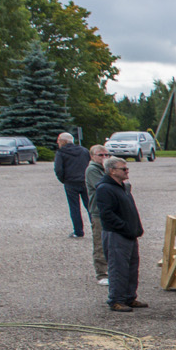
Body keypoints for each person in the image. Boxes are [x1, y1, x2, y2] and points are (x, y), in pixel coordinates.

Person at [92, 157, 147, 312]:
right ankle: (116, 300)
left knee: (132, 268)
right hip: (116, 234)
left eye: (126, 168)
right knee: (118, 268)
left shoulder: (122, 187)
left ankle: (129, 297)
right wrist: (125, 227)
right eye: (123, 169)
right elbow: (107, 214)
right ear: (112, 171)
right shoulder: (105, 188)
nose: (127, 171)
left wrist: (136, 228)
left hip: (129, 233)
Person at [52, 133, 89, 238]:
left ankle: (78, 231)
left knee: (74, 207)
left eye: (59, 140)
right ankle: (97, 229)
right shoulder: (84, 151)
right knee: (90, 206)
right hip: (85, 181)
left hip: (71, 182)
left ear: (63, 141)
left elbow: (58, 169)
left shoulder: (61, 153)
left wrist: (63, 180)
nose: (57, 143)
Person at [84, 144, 108, 283]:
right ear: (92, 156)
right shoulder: (92, 170)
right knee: (100, 242)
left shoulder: (106, 169)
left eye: (106, 155)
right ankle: (102, 273)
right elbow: (103, 187)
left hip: (109, 211)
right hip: (98, 212)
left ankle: (112, 269)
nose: (104, 157)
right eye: (101, 155)